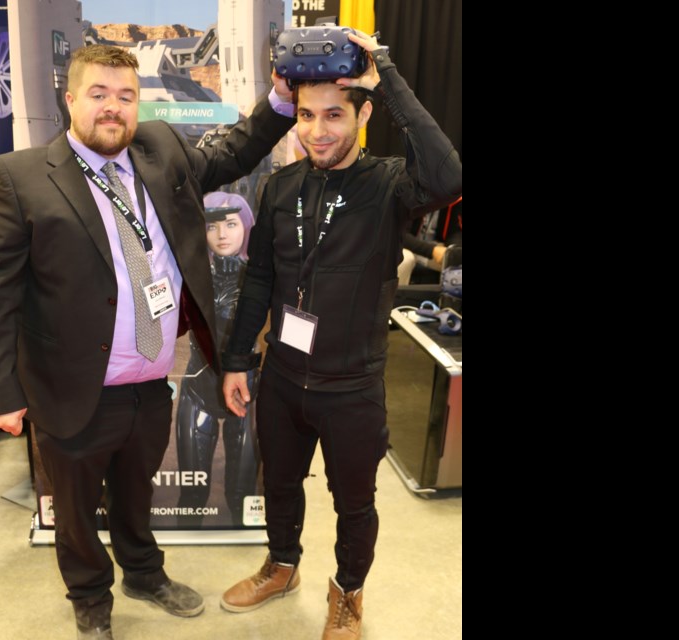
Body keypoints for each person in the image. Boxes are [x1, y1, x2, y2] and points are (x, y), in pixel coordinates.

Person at [0, 45, 295, 640]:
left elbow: (234, 151)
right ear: (69, 100)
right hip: (72, 386)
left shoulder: (160, 149)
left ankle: (144, 574)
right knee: (74, 513)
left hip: (151, 382)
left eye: (125, 96)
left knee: (134, 493)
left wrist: (280, 97)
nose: (113, 108)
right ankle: (91, 595)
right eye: (98, 94)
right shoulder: (20, 177)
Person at [218, 31, 462, 639]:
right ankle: (282, 565)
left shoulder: (390, 187)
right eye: (306, 115)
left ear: (363, 114)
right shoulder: (279, 189)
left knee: (355, 504)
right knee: (277, 483)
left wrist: (387, 75)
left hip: (352, 388)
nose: (318, 131)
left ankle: (348, 592)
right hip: (282, 377)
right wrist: (236, 359)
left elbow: (449, 175)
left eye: (334, 114)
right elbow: (258, 284)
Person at [175, 192, 260, 528]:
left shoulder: (260, 276)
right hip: (199, 386)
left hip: (248, 390)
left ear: (246, 226)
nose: (222, 234)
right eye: (212, 225)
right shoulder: (188, 277)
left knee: (243, 497)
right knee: (191, 497)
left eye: (231, 223)